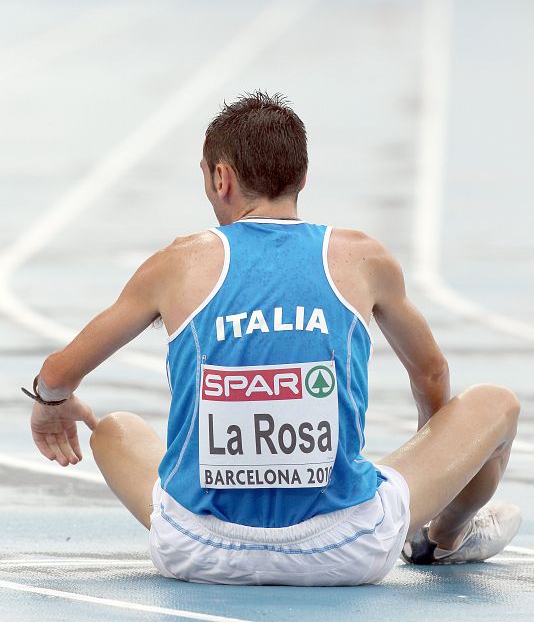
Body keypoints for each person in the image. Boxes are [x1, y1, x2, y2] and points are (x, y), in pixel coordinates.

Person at [24, 92, 521, 586]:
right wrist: (428, 467)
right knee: (496, 404)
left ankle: (101, 428)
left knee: (115, 427)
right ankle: (444, 536)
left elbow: (58, 375)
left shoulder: (179, 264)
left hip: (197, 548)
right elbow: (431, 373)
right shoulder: (361, 258)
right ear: (302, 178)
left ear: (221, 178)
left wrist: (51, 403)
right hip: (347, 548)